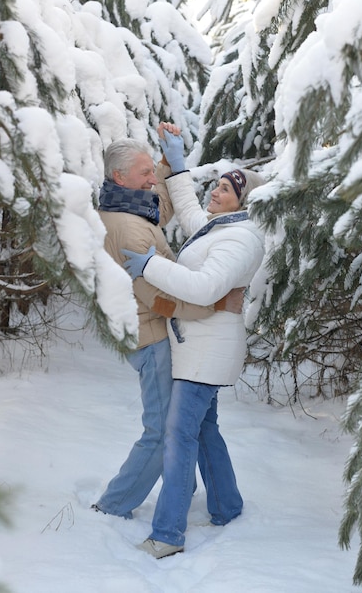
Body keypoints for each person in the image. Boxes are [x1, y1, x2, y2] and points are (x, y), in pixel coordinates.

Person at [122, 128, 265, 557]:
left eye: (226, 189)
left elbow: (203, 288)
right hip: (198, 345)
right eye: (218, 184)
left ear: (244, 203)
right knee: (204, 429)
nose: (216, 192)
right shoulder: (222, 228)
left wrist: (149, 267)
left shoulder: (242, 239)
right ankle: (226, 505)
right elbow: (187, 208)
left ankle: (168, 534)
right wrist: (177, 162)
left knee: (178, 433)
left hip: (206, 352)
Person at [92, 134, 244, 519]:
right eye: (144, 173)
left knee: (188, 423)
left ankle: (185, 486)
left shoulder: (126, 205)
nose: (150, 180)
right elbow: (161, 299)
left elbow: (159, 205)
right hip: (153, 338)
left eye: (150, 172)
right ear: (119, 176)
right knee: (161, 432)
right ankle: (114, 505)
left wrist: (165, 163)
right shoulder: (128, 229)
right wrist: (214, 304)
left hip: (154, 333)